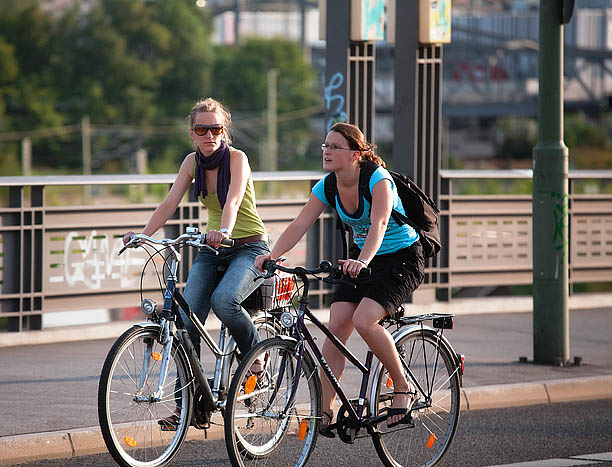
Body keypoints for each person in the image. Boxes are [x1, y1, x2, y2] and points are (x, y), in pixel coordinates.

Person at [254, 122, 424, 434]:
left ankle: (402, 387)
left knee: (365, 320)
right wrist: (273, 254)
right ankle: (325, 408)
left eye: (335, 147)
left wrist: (362, 260)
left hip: (401, 258)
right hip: (361, 261)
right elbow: (300, 222)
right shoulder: (328, 185)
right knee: (337, 325)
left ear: (355, 155)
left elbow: (381, 222)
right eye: (325, 146)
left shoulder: (377, 179)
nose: (327, 151)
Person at [123, 97, 270, 425]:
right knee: (186, 324)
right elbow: (170, 201)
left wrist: (223, 230)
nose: (210, 135)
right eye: (202, 129)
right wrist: (143, 234)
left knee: (225, 301)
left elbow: (232, 200)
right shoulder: (192, 162)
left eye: (216, 128)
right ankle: (190, 405)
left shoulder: (237, 159)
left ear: (224, 129)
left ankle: (256, 360)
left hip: (249, 247)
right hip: (212, 248)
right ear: (192, 133)